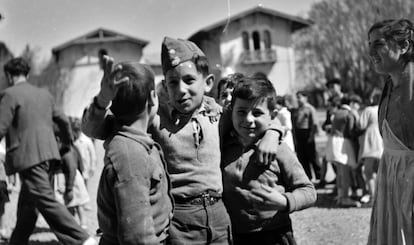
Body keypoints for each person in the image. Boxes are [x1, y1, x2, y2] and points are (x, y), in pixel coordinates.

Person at [82, 37, 282, 245]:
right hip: (179, 220)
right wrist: (102, 101)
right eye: (173, 83)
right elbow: (93, 128)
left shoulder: (221, 115)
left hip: (219, 216)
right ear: (164, 87)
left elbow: (257, 119)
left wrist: (273, 133)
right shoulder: (155, 117)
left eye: (189, 80)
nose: (181, 90)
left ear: (208, 83)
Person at [0, 57, 94, 245]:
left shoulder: (9, 94)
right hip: (50, 156)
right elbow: (63, 120)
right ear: (26, 74)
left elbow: (0, 126)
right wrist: (66, 144)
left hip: (28, 157)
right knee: (29, 204)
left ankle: (84, 240)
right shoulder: (44, 94)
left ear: (9, 75)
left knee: (45, 200)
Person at [221, 76, 316, 245]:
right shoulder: (222, 145)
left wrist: (285, 201)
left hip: (274, 234)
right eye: (241, 112)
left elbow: (308, 191)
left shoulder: (279, 149)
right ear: (231, 111)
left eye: (257, 113)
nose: (248, 119)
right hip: (235, 236)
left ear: (272, 116)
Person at [95, 62, 174, 244]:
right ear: (153, 98)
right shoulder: (131, 158)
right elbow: (138, 238)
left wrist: (101, 100)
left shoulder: (130, 142)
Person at [367, 19, 414, 245]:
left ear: (404, 46)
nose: (370, 52)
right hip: (391, 178)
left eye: (378, 44)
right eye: (369, 45)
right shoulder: (388, 85)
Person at [54, 124, 90, 230]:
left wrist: (69, 188)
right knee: (71, 204)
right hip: (70, 179)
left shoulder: (67, 153)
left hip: (71, 180)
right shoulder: (70, 150)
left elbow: (71, 168)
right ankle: (72, 224)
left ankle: (82, 223)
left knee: (77, 203)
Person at [325, 96, 360, 207]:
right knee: (345, 173)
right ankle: (345, 198)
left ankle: (340, 196)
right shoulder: (348, 113)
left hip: (333, 141)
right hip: (343, 143)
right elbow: (350, 130)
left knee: (340, 172)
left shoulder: (338, 112)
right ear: (351, 102)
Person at [356, 93, 383, 205]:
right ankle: (382, 196)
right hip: (383, 138)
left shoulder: (369, 110)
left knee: (368, 171)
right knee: (380, 171)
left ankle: (373, 197)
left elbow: (361, 125)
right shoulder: (384, 107)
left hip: (371, 140)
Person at [292, 91, 321, 182]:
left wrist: (311, 136)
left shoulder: (310, 109)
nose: (298, 99)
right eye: (297, 97)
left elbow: (314, 124)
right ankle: (308, 177)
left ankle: (319, 176)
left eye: (300, 97)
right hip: (299, 134)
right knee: (302, 157)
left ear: (305, 98)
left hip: (307, 134)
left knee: (312, 156)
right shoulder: (297, 109)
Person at [0, 139, 9, 241]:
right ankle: (2, 230)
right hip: (1, 181)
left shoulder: (2, 147)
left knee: (2, 208)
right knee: (1, 208)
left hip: (1, 181)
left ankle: (2, 230)